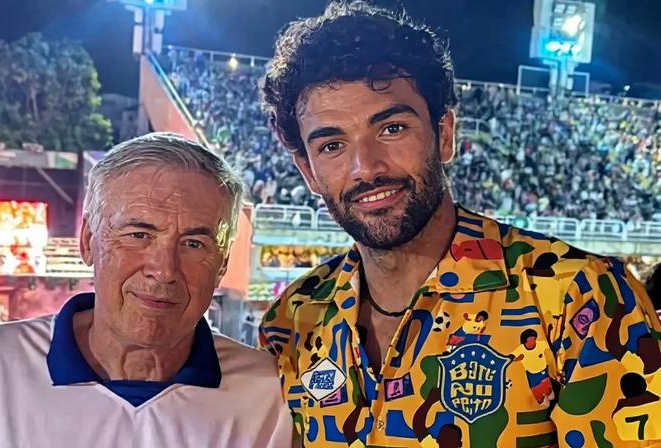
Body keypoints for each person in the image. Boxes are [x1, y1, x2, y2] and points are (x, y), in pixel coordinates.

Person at [257, 2, 661, 447]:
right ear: (309, 171)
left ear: (445, 134)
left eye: (392, 128)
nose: (365, 167)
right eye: (332, 144)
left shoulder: (579, 298)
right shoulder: (292, 320)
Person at [0, 133, 293, 447]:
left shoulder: (268, 394)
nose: (163, 270)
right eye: (138, 235)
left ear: (223, 263)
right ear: (88, 241)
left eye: (194, 244)